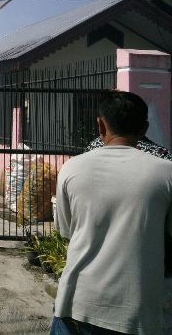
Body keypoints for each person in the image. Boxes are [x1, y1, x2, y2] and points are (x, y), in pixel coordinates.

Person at [52, 92, 172, 334]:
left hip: (75, 308)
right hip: (137, 315)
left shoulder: (71, 168)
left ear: (100, 124)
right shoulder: (166, 173)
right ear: (144, 128)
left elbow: (66, 231)